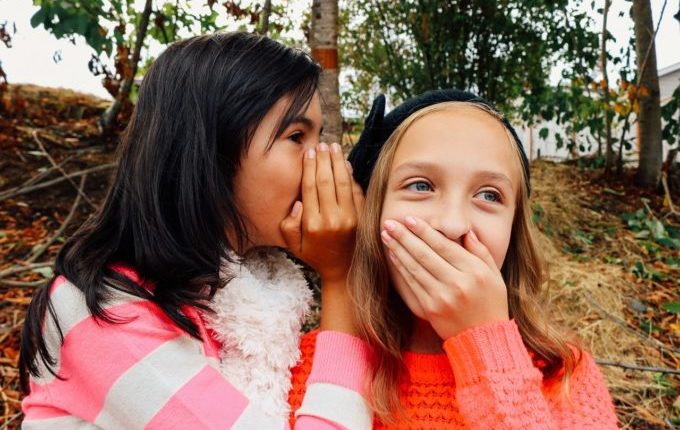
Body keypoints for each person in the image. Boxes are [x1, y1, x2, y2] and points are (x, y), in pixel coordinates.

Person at [20, 32, 372, 429]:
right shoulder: (98, 312)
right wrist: (343, 279)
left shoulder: (246, 294)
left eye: (320, 138)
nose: (323, 163)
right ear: (212, 152)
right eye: (296, 137)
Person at [289, 89, 619, 429]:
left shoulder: (566, 374)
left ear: (514, 229)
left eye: (489, 195)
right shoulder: (304, 367)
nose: (452, 225)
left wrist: (488, 348)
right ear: (372, 212)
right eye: (420, 186)